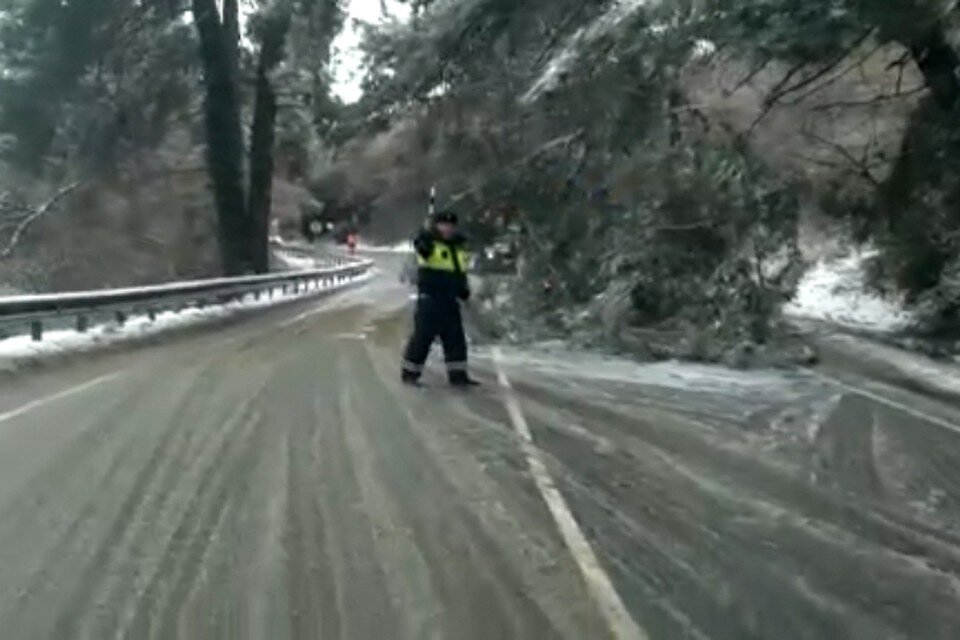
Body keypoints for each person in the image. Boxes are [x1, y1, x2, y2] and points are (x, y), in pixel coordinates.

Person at [402, 210, 479, 387]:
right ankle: (410, 374)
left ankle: (458, 375)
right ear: (436, 225)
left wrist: (463, 290)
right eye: (443, 225)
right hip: (430, 299)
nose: (448, 229)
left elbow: (459, 272)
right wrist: (423, 235)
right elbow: (422, 248)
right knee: (422, 338)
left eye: (451, 225)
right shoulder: (429, 243)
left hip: (450, 300)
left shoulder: (458, 247)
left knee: (455, 339)